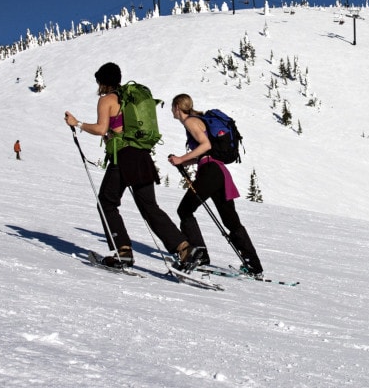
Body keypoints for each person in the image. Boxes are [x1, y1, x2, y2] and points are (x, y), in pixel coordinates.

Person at [64, 62, 199, 269]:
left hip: (123, 158)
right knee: (149, 206)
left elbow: (101, 129)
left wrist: (78, 124)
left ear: (102, 81)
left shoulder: (106, 100)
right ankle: (184, 249)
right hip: (142, 157)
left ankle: (123, 252)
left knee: (106, 202)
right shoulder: (129, 99)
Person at [167, 94, 264, 277]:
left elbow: (205, 145)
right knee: (231, 221)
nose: (172, 111)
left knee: (185, 210)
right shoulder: (198, 120)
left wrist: (181, 158)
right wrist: (183, 162)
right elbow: (206, 152)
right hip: (219, 172)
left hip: (210, 172)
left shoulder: (190, 121)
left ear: (178, 107)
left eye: (172, 107)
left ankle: (199, 255)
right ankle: (254, 266)